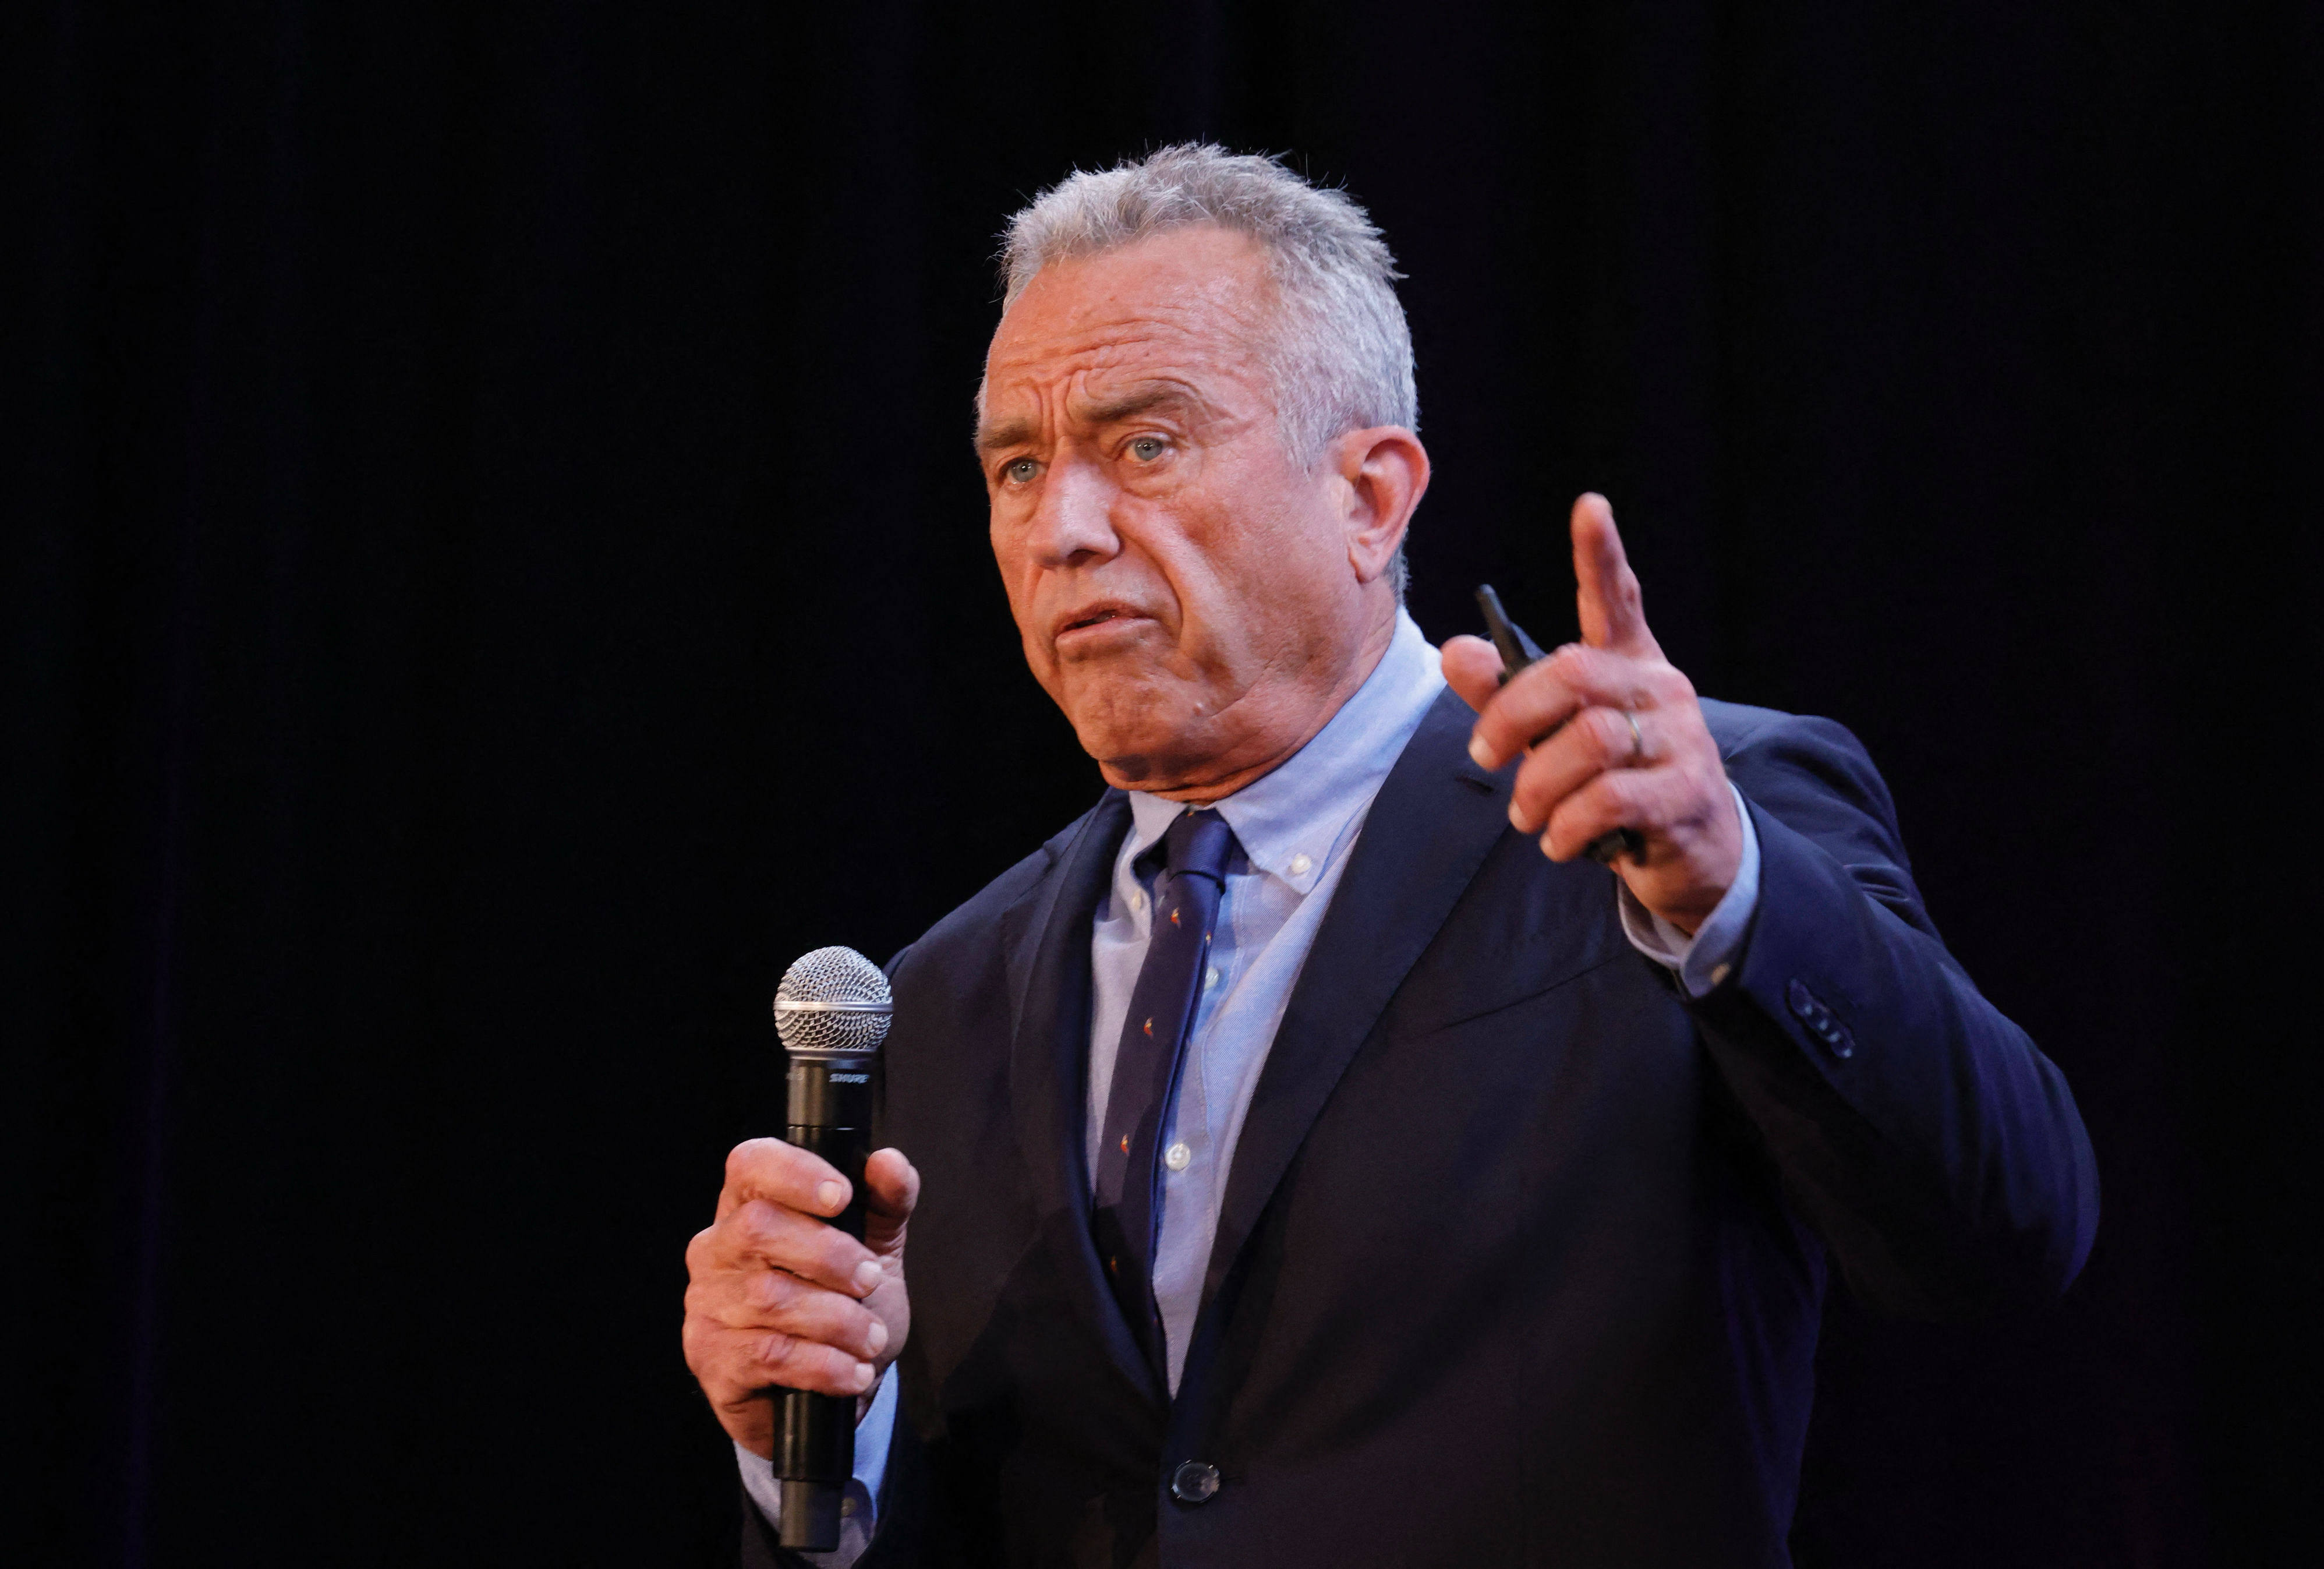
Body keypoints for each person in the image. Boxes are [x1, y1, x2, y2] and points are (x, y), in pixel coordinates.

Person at [681, 145, 2097, 1568]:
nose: (1063, 528)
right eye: (1018, 465)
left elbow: (2002, 1231)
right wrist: (810, 1453)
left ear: (1369, 496)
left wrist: (1729, 892)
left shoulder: (1670, 828)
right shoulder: (940, 1001)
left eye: (1146, 446)